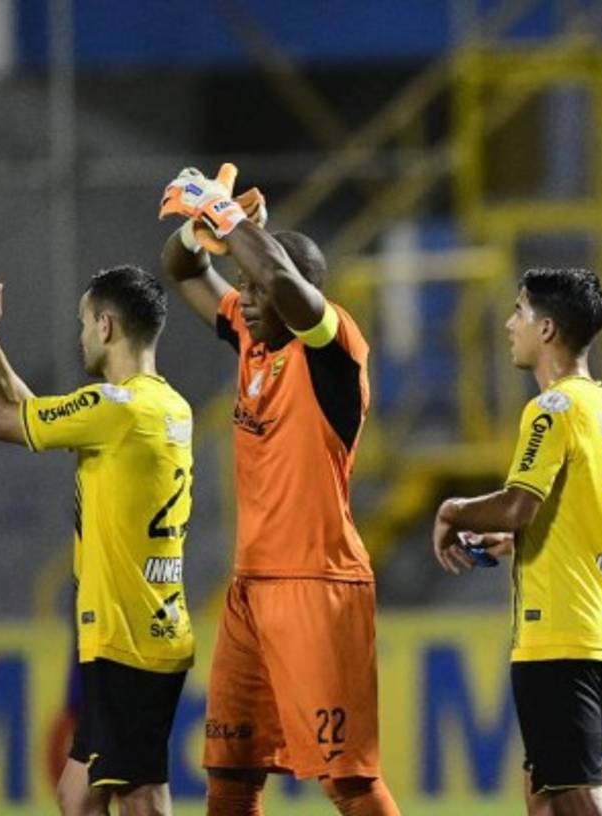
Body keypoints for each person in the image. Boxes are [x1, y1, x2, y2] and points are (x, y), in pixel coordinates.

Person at [156, 168, 398, 816]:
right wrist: (201, 226)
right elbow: (179, 269)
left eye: (258, 287)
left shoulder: (335, 350)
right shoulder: (250, 338)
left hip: (317, 583)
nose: (246, 299)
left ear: (300, 294)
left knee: (346, 781)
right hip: (250, 589)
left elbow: (284, 283)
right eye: (243, 288)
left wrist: (235, 226)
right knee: (229, 776)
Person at [0, 256, 194, 816]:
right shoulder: (161, 405)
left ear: (105, 326)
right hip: (141, 630)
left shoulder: (116, 409)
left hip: (127, 638)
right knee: (77, 796)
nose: (81, 335)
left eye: (85, 323)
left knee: (141, 799)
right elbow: (33, 411)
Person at [431, 266, 602, 816]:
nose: (508, 324)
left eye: (519, 311)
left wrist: (454, 509)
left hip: (560, 631)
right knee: (545, 799)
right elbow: (583, 518)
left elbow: (520, 502)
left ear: (546, 330)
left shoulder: (552, 409)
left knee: (577, 794)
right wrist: (513, 541)